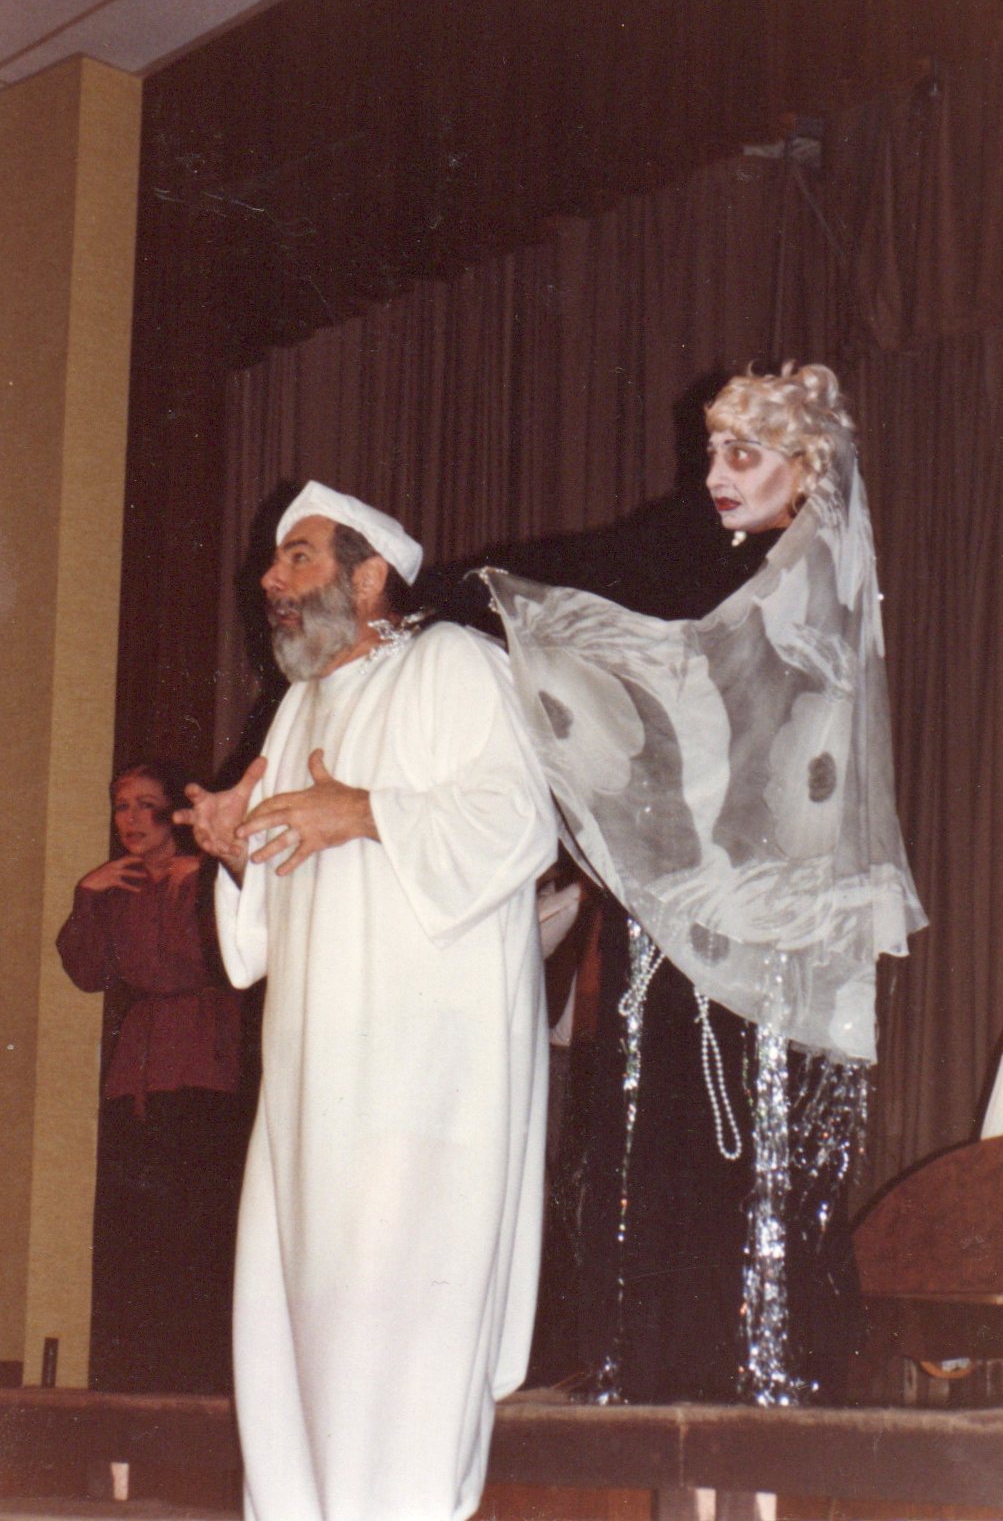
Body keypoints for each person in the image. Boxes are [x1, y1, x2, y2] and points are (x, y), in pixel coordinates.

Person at [484, 364, 926, 1406]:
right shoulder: (708, 560)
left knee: (754, 1138)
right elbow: (606, 592)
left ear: (804, 469)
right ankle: (658, 1369)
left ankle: (758, 1375)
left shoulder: (817, 595)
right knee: (665, 1125)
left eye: (743, 455)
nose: (717, 474)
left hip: (767, 918)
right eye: (714, 451)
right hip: (690, 907)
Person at [176, 482, 557, 1521]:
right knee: (300, 1323)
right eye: (273, 562)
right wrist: (234, 849)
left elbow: (520, 822)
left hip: (423, 1081)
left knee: (398, 1318)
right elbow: (261, 937)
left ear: (371, 575)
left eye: (296, 557)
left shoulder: (451, 664)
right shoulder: (297, 706)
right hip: (314, 1088)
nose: (269, 578)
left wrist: (366, 811)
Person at [56, 761, 244, 1393]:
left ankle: (198, 1384)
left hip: (201, 1063)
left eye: (144, 804)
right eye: (121, 806)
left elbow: (214, 962)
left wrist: (196, 886)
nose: (130, 819)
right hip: (133, 1075)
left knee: (196, 1230)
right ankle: (135, 1383)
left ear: (172, 813)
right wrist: (88, 892)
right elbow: (87, 972)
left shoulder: (210, 878)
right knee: (136, 1233)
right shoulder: (118, 887)